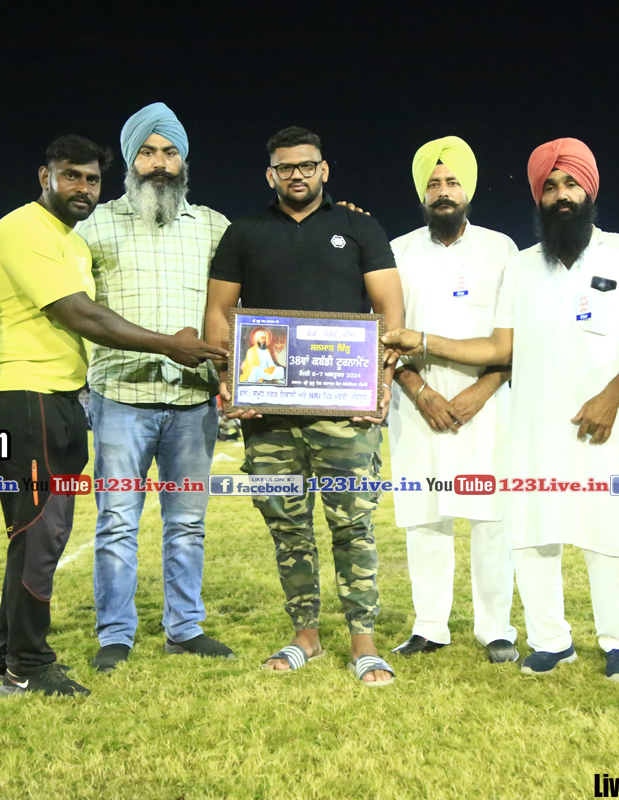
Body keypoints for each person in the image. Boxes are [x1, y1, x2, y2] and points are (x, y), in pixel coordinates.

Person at [384, 138, 619, 680]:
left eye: (571, 184)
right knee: (534, 532)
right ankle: (549, 640)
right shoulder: (521, 266)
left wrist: (612, 398)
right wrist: (421, 344)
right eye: (550, 186)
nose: (561, 195)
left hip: (604, 423)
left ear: (590, 189)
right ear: (538, 196)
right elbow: (501, 345)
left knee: (609, 531)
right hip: (533, 424)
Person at [0, 135, 225, 697]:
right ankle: (29, 665)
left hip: (56, 395)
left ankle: (10, 659)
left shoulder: (68, 238)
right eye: (71, 176)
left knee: (34, 532)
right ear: (45, 176)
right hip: (22, 393)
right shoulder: (27, 229)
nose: (82, 187)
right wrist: (169, 344)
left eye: (90, 178)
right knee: (43, 531)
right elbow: (80, 313)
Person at [205, 126, 404, 686]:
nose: (297, 174)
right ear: (271, 174)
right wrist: (229, 379)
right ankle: (306, 635)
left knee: (353, 525)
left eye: (307, 165)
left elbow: (390, 311)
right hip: (268, 414)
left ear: (324, 169)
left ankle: (363, 641)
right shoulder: (244, 233)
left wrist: (382, 381)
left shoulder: (360, 227)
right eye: (286, 167)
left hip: (345, 411)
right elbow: (219, 313)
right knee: (287, 529)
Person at [74, 103, 234, 673]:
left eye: (169, 152)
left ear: (184, 160)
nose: (159, 163)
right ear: (129, 160)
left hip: (192, 401)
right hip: (120, 397)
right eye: (147, 152)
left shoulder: (214, 227)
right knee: (117, 520)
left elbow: (240, 304)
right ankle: (115, 633)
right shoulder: (94, 226)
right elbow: (72, 305)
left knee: (187, 523)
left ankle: (184, 628)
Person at [387, 136, 518, 663]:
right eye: (434, 183)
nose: (443, 192)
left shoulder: (501, 249)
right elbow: (384, 336)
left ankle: (496, 628)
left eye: (453, 182)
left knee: (492, 520)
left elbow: (516, 338)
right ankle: (429, 626)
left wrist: (480, 392)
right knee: (424, 517)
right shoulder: (397, 252)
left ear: (470, 189)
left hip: (487, 405)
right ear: (422, 192)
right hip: (416, 406)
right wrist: (421, 393)